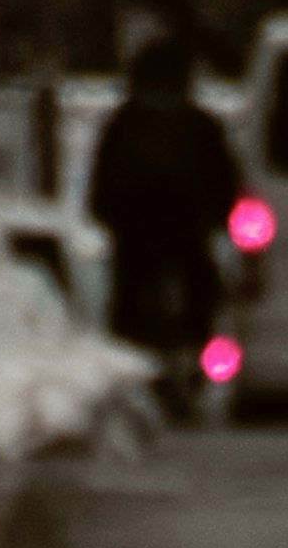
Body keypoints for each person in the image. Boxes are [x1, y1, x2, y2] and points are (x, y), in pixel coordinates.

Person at [85, 32, 238, 367]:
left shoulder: (124, 121)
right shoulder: (198, 121)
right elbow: (224, 176)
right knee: (201, 293)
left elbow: (102, 178)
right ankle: (196, 359)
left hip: (135, 230)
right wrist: (222, 217)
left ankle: (129, 360)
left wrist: (103, 213)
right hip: (187, 227)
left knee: (129, 298)